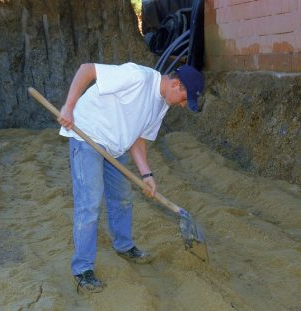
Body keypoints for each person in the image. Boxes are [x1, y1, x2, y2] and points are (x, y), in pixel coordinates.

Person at [58, 62, 204, 294]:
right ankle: (82, 269)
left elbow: (138, 138)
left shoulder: (162, 105)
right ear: (176, 84)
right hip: (88, 136)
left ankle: (124, 246)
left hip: (115, 147)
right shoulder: (137, 77)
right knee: (90, 204)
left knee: (123, 198)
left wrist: (147, 174)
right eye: (185, 99)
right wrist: (68, 107)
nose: (183, 105)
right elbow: (87, 69)